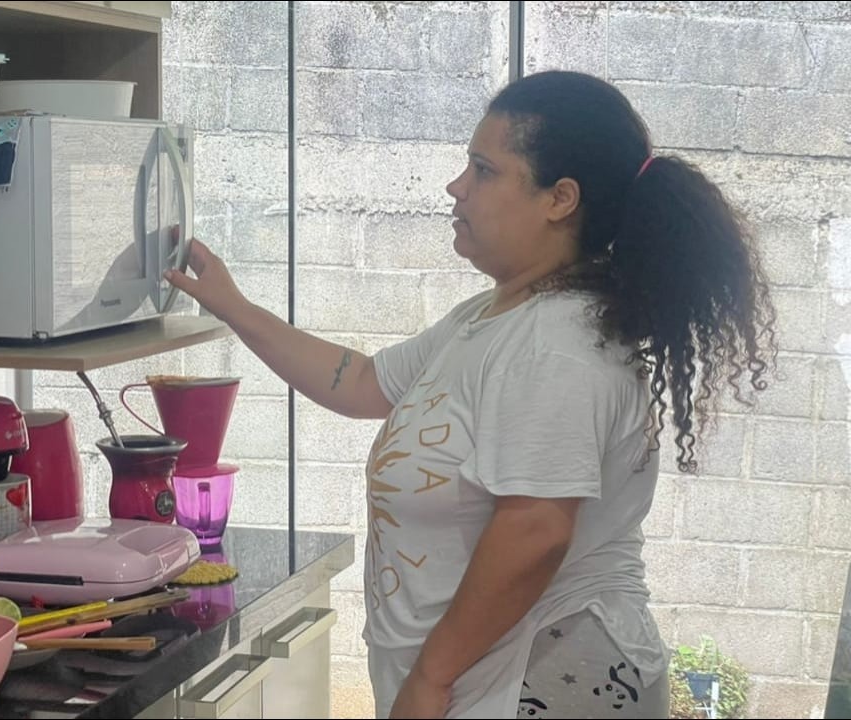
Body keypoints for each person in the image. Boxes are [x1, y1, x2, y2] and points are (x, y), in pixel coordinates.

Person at [164, 69, 777, 719]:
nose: (456, 187)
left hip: (544, 680)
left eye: (483, 170)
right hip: (488, 675)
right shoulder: (493, 317)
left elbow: (536, 529)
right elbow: (363, 382)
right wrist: (234, 306)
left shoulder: (557, 346)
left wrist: (431, 678)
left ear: (560, 199)